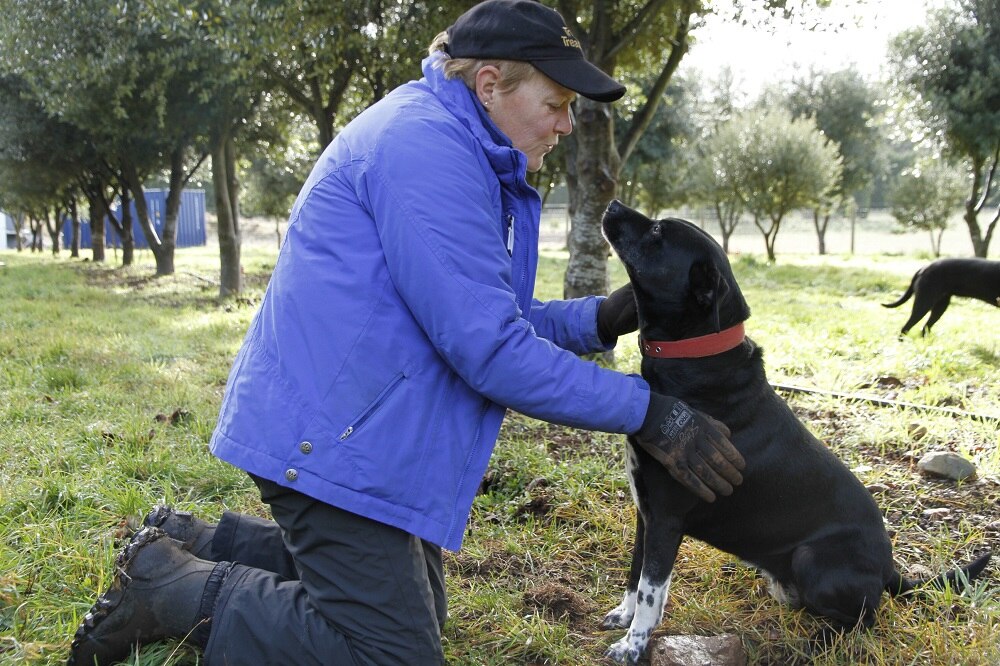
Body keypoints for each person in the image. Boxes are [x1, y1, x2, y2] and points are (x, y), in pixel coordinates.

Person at [68, 1, 745, 664]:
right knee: (390, 651)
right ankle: (168, 588)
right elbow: (491, 351)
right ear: (490, 85)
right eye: (557, 102)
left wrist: (599, 318)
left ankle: (195, 540)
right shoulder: (427, 152)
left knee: (417, 613)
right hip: (336, 438)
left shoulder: (456, 144)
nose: (566, 124)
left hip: (366, 429)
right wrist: (653, 414)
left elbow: (484, 314)